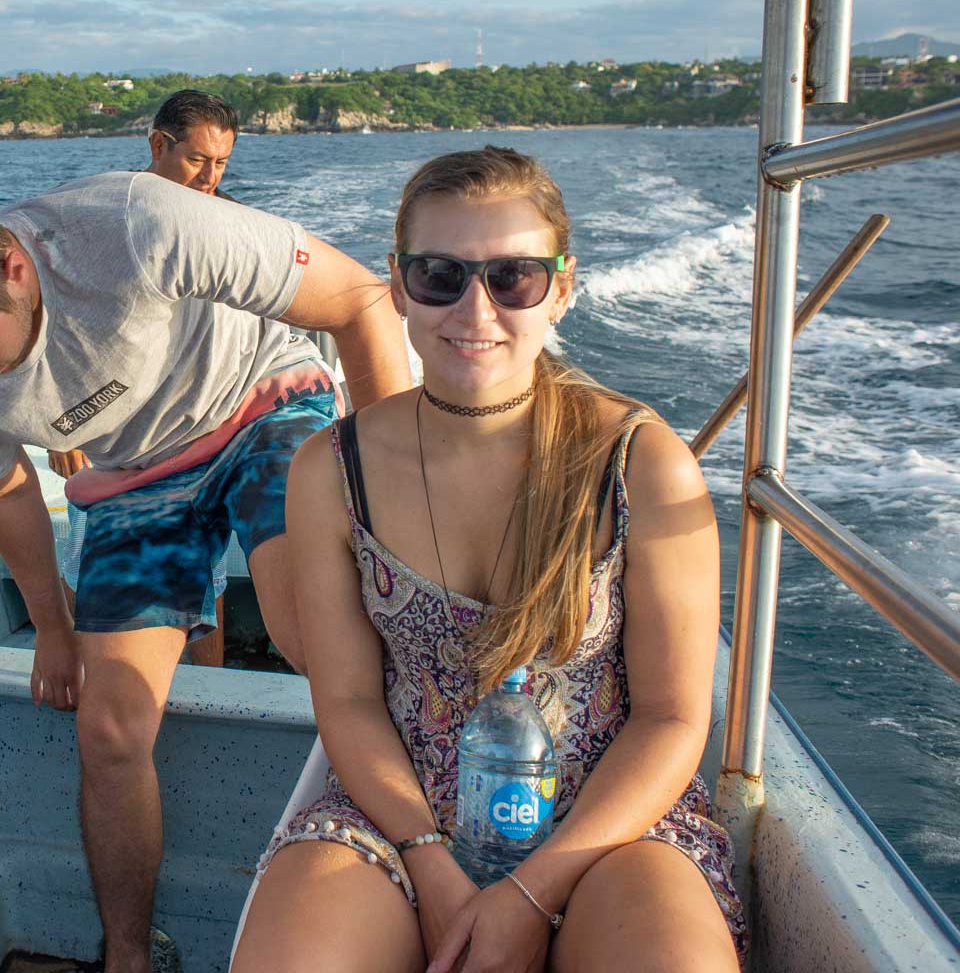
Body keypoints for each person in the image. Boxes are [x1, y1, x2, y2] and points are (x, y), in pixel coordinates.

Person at [233, 146, 748, 972]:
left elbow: (671, 718)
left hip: (607, 827)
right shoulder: (332, 469)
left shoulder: (639, 462)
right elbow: (352, 703)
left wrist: (535, 889)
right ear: (399, 287)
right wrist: (431, 863)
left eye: (513, 278)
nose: (475, 309)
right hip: (401, 816)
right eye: (441, 275)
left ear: (562, 289)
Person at [0, 164, 411, 973]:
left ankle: (406, 891)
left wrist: (399, 521)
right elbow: (13, 491)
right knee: (110, 726)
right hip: (134, 473)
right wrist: (51, 626)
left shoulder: (133, 224)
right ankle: (128, 954)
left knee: (312, 635)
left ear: (14, 268)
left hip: (262, 402)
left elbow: (360, 300)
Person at [51, 89, 244, 666]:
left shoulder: (234, 227)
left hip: (200, 441)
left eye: (222, 164)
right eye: (198, 160)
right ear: (159, 145)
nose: (210, 177)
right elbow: (64, 332)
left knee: (203, 590)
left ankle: (212, 716)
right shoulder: (105, 220)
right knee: (87, 577)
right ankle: (80, 685)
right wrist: (64, 432)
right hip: (112, 444)